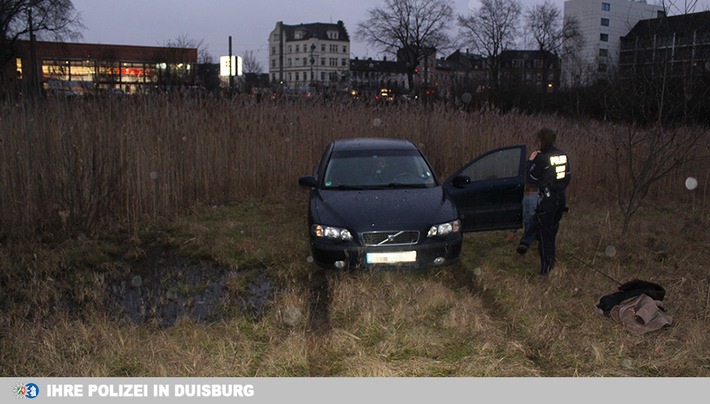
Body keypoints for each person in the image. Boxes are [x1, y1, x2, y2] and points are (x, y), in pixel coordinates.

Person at [518, 128, 571, 276]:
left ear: (541, 140)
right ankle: (551, 261)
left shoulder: (542, 158)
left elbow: (531, 178)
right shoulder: (562, 155)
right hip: (560, 198)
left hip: (547, 200)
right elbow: (567, 177)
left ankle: (546, 268)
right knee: (552, 230)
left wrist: (530, 162)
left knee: (544, 234)